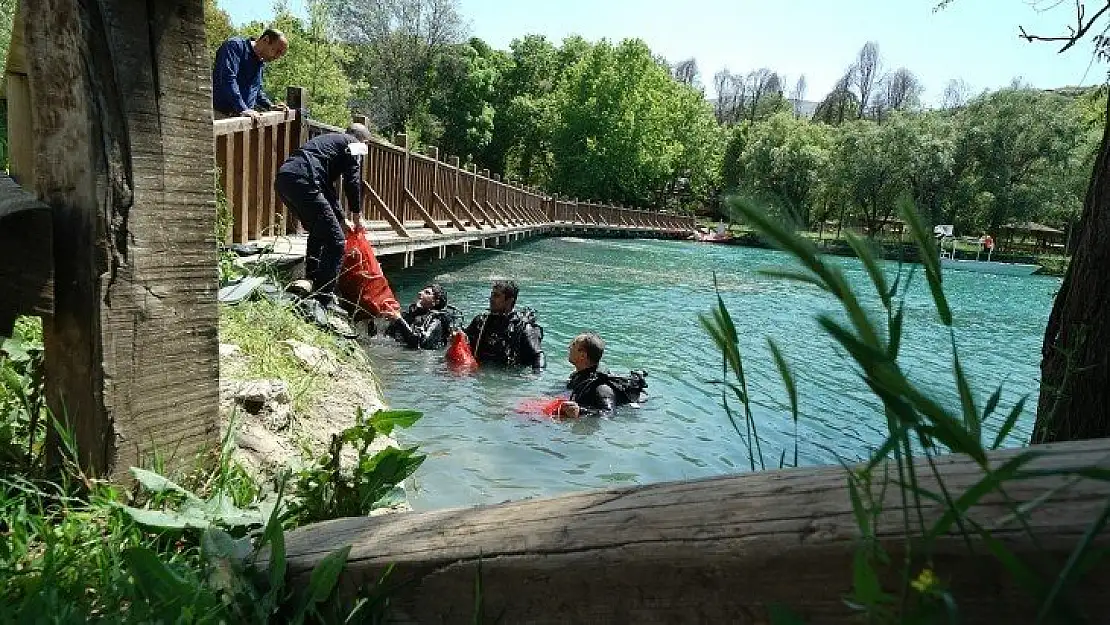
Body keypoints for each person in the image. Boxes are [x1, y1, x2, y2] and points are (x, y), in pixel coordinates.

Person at [274, 123, 372, 314]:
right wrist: (357, 215)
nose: (364, 152)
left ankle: (311, 278)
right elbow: (353, 180)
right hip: (306, 181)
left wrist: (342, 218)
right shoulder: (353, 144)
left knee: (319, 230)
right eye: (366, 146)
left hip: (284, 180)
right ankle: (323, 298)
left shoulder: (329, 143)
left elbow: (327, 188)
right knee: (336, 242)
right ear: (362, 141)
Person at [557, 332, 647, 419]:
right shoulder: (578, 376)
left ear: (582, 355)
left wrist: (580, 411)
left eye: (573, 345)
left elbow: (609, 413)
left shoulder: (601, 387)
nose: (569, 347)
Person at [460, 281, 545, 370]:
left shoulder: (522, 328)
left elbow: (538, 355)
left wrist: (537, 377)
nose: (491, 299)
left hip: (509, 376)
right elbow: (464, 340)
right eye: (492, 295)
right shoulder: (480, 322)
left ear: (509, 301)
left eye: (496, 296)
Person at [212, 29, 289, 120]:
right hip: (220, 117)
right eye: (277, 51)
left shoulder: (260, 62)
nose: (277, 57)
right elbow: (228, 79)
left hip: (243, 120)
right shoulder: (235, 46)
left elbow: (257, 91)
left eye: (280, 55)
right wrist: (243, 108)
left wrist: (270, 106)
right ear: (265, 39)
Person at [383, 283, 461, 350]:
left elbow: (420, 345)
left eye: (427, 293)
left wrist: (399, 320)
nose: (420, 293)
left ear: (435, 302)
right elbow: (388, 337)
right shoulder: (411, 315)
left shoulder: (437, 322)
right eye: (422, 291)